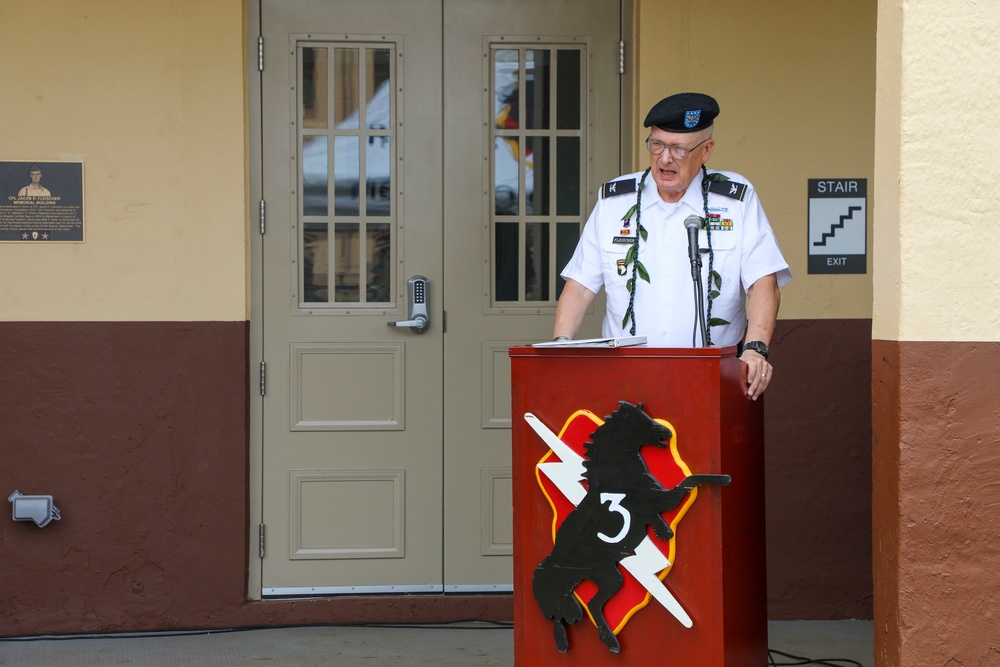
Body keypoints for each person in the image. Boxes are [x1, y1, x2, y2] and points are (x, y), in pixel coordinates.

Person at [553, 92, 791, 400]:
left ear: (706, 151)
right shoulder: (616, 201)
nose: (665, 158)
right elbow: (581, 286)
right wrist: (559, 346)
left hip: (713, 378)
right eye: (657, 145)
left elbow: (763, 282)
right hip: (625, 381)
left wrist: (755, 350)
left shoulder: (735, 201)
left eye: (678, 149)